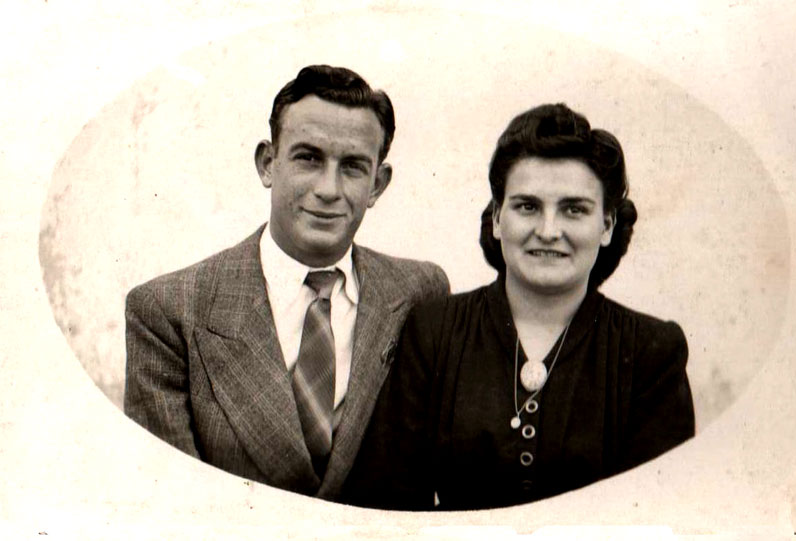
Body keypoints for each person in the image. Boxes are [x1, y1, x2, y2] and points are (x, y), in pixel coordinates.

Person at [343, 103, 695, 510]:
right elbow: (386, 507)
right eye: (528, 206)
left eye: (574, 209)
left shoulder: (652, 352)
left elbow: (660, 514)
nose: (548, 231)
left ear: (606, 225)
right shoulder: (434, 332)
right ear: (497, 218)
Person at [123, 65, 450, 500]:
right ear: (267, 164)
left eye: (353, 166)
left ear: (377, 184)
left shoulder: (418, 293)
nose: (329, 189)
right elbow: (171, 502)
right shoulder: (170, 311)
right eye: (308, 158)